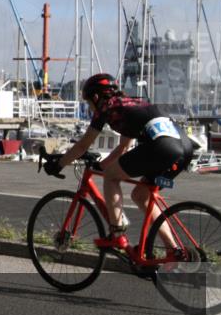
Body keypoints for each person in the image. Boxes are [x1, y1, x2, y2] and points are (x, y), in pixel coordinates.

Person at [44, 73, 193, 255]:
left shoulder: (106, 109)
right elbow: (123, 147)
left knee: (111, 177)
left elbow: (83, 145)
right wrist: (101, 165)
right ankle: (174, 250)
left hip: (163, 147)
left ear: (96, 97)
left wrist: (58, 164)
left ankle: (116, 232)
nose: (90, 107)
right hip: (184, 148)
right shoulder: (130, 105)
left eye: (88, 102)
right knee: (141, 195)